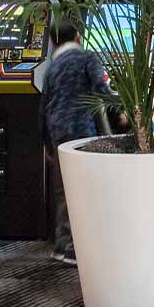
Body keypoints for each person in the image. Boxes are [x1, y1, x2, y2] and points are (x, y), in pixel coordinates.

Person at [40, 21, 115, 265]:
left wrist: (46, 144)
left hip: (56, 130)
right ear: (78, 37)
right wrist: (123, 106)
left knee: (64, 189)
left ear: (53, 42)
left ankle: (61, 246)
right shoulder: (86, 58)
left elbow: (43, 107)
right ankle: (75, 249)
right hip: (80, 129)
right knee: (83, 190)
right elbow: (101, 89)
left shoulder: (52, 67)